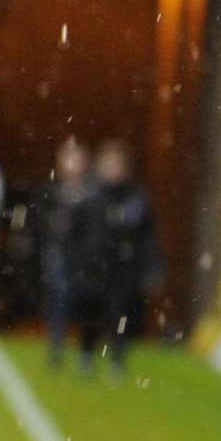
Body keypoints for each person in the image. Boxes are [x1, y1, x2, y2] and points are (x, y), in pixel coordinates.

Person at [41, 136, 108, 372]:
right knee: (58, 300)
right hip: (59, 257)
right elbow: (41, 224)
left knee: (89, 305)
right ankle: (56, 348)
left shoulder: (93, 194)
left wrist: (89, 256)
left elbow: (96, 230)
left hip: (85, 260)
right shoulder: (52, 191)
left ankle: (86, 352)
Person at [94, 140, 162, 370]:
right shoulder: (93, 194)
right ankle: (87, 354)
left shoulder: (135, 196)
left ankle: (117, 355)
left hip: (125, 267)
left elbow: (147, 235)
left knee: (121, 312)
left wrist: (153, 267)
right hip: (97, 264)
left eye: (117, 164)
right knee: (94, 310)